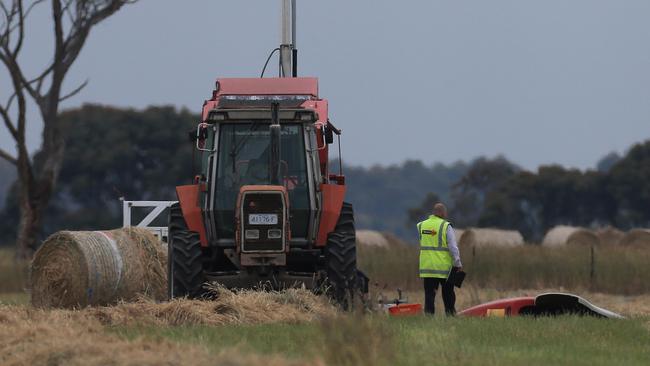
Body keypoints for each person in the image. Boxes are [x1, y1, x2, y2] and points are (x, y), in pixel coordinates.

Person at [417, 202, 462, 315]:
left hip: (427, 267)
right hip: (444, 268)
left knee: (429, 295)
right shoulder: (445, 226)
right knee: (448, 293)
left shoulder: (421, 225)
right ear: (442, 212)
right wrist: (458, 263)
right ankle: (450, 315)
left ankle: (429, 317)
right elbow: (453, 246)